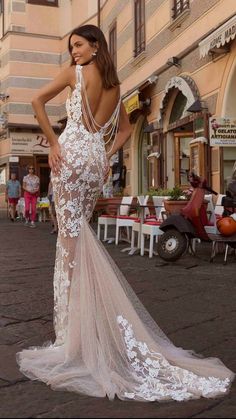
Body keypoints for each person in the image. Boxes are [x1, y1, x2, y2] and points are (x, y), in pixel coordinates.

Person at [16, 24, 234, 402]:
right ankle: (86, 328)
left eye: (80, 45)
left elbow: (36, 101)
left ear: (96, 45)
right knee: (78, 234)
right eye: (72, 47)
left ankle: (75, 339)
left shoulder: (78, 73)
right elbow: (126, 130)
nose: (75, 53)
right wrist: (104, 157)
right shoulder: (117, 87)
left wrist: (53, 143)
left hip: (70, 154)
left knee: (67, 242)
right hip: (93, 157)